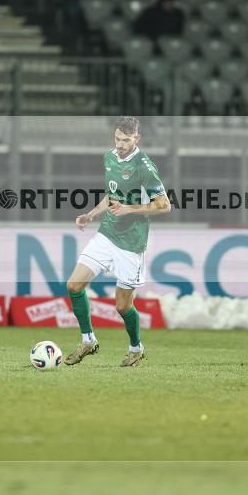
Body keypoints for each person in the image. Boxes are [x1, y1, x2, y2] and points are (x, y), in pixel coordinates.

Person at [63, 116, 171, 367]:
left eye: (125, 140)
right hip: (107, 234)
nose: (120, 144)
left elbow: (164, 205)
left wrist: (130, 209)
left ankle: (136, 347)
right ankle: (88, 340)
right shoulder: (109, 157)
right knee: (74, 285)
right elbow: (112, 196)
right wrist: (90, 215)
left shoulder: (144, 166)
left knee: (122, 306)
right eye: (117, 139)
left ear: (136, 138)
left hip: (131, 243)